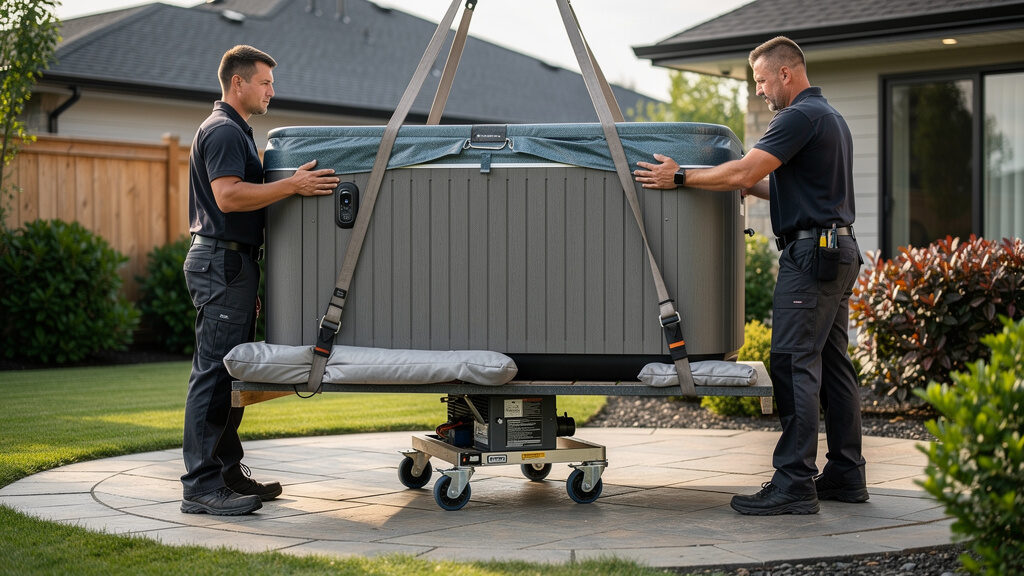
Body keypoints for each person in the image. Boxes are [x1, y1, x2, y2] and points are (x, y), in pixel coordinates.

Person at [633, 36, 867, 516]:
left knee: (792, 362)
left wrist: (680, 177)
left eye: (762, 79)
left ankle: (794, 484)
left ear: (786, 73)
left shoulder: (798, 117)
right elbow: (782, 184)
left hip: (812, 258)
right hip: (837, 249)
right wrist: (735, 186)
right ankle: (846, 474)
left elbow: (742, 172)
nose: (759, 90)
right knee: (833, 366)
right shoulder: (830, 117)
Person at [181, 45, 340, 515]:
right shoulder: (225, 131)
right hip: (222, 262)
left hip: (232, 264)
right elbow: (228, 197)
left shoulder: (234, 131)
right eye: (265, 82)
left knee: (232, 372)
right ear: (238, 83)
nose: (272, 90)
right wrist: (292, 185)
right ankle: (201, 487)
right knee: (213, 376)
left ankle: (227, 472)